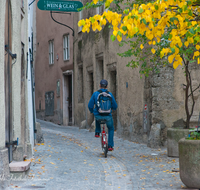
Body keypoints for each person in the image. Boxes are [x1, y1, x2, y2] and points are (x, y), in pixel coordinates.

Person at [88, 79, 118, 151]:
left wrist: (92, 111)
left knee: (97, 116)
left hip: (98, 115)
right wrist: (112, 109)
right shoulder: (110, 94)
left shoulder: (95, 94)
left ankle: (97, 132)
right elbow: (115, 106)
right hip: (108, 116)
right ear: (107, 86)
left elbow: (90, 105)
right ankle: (110, 146)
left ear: (99, 85)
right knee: (111, 128)